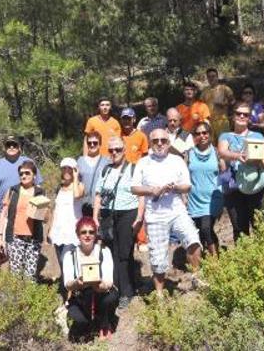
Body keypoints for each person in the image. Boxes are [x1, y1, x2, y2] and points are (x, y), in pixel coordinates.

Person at [131, 129, 203, 296]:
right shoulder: (143, 162)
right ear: (150, 143)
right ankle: (159, 294)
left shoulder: (177, 161)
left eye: (163, 140)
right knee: (158, 257)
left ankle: (197, 277)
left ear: (169, 142)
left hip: (177, 211)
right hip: (155, 216)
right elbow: (134, 188)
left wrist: (175, 187)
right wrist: (151, 191)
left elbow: (187, 185)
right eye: (156, 140)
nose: (160, 143)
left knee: (192, 239)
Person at [92, 137, 143, 309]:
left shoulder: (133, 169)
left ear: (124, 150)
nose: (114, 153)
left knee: (124, 253)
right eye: (111, 150)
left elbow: (141, 195)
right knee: (110, 252)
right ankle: (115, 289)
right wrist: (94, 217)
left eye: (118, 149)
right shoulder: (106, 170)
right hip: (108, 215)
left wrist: (139, 217)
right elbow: (98, 194)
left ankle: (126, 292)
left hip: (128, 213)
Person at [0, 135, 43, 266]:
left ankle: (24, 272)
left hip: (25, 212)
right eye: (8, 145)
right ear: (4, 148)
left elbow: (38, 184)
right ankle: (5, 277)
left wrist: (38, 205)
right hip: (3, 211)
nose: (11, 147)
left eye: (14, 145)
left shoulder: (27, 162)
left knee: (25, 243)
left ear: (20, 148)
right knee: (2, 247)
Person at [219, 102, 264, 241]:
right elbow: (222, 152)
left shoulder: (257, 136)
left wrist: (256, 159)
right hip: (235, 187)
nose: (242, 116)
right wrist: (238, 156)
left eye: (245, 114)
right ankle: (244, 261)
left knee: (261, 226)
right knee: (240, 229)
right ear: (233, 116)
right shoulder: (225, 136)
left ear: (249, 118)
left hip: (256, 185)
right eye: (238, 113)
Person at [63, 217, 118, 341]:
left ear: (95, 234)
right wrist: (77, 283)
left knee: (111, 298)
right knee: (79, 322)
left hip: (102, 294)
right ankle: (90, 323)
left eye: (91, 232)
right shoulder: (70, 256)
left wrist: (100, 286)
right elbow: (67, 284)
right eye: (83, 232)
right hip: (80, 296)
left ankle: (105, 323)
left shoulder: (104, 251)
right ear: (78, 234)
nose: (87, 235)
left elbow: (109, 281)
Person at [0, 161, 46, 281]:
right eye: (21, 173)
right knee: (15, 275)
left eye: (27, 173)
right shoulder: (13, 191)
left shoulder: (40, 192)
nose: (24, 176)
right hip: (15, 237)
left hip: (34, 239)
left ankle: (28, 299)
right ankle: (16, 300)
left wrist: (41, 212)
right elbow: (4, 215)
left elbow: (46, 217)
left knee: (30, 276)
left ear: (34, 176)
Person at [187, 122, 225, 257]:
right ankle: (203, 259)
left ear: (210, 134)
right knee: (200, 230)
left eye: (205, 132)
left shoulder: (217, 152)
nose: (202, 136)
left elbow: (224, 173)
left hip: (213, 199)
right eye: (198, 133)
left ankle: (215, 261)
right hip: (194, 200)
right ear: (194, 136)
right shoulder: (188, 154)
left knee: (206, 227)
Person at [47, 158, 84, 292]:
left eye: (70, 168)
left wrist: (75, 178)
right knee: (62, 265)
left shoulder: (80, 186)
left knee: (67, 262)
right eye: (64, 169)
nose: (67, 171)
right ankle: (67, 296)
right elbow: (55, 210)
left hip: (72, 232)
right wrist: (50, 229)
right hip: (58, 231)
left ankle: (71, 298)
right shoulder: (59, 188)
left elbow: (77, 195)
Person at [77, 132, 110, 216]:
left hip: (101, 205)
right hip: (83, 205)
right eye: (89, 143)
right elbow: (76, 181)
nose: (92, 145)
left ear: (100, 144)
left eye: (95, 143)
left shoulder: (107, 161)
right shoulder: (80, 161)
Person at [200, 68, 235, 140]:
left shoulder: (225, 88)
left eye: (213, 76)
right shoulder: (204, 91)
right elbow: (201, 106)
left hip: (222, 121)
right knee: (211, 145)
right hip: (209, 122)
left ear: (217, 77)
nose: (211, 78)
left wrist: (225, 104)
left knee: (224, 143)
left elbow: (234, 102)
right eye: (209, 77)